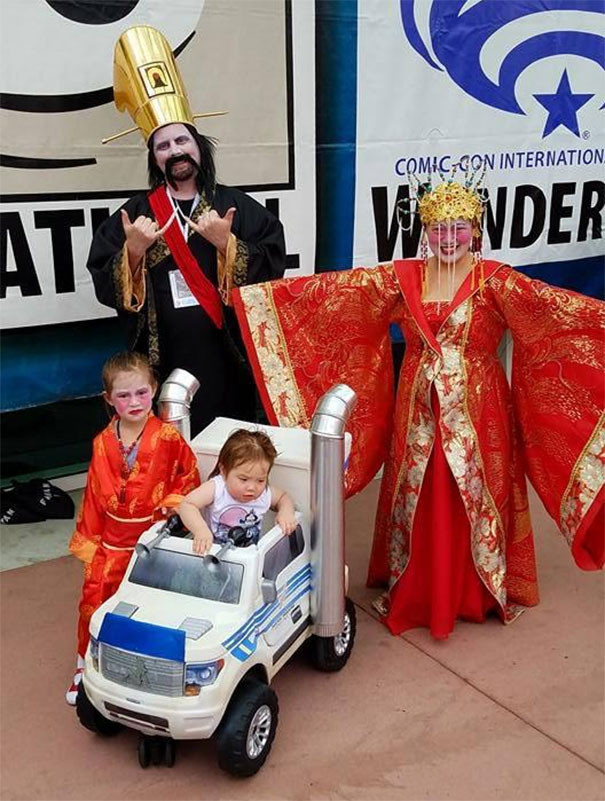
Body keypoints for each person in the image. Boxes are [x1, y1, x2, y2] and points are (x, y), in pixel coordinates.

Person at [231, 168, 604, 640]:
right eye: (438, 228)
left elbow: (558, 314)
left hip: (479, 409)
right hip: (418, 407)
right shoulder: (402, 278)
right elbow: (336, 296)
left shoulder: (498, 282)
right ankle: (417, 589)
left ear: (477, 229)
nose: (449, 237)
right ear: (425, 232)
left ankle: (477, 591)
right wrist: (258, 298)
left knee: (470, 492)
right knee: (420, 490)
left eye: (459, 226)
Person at [87, 26, 286, 436]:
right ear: (154, 158)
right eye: (163, 145)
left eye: (182, 140)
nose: (175, 150)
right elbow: (105, 281)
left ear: (199, 146)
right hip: (164, 354)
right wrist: (134, 253)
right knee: (174, 439)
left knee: (232, 440)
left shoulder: (236, 205)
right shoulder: (135, 215)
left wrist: (227, 244)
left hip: (226, 351)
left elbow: (273, 264)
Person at [66, 351, 200, 705]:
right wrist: (91, 545)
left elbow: (188, 476)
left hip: (151, 539)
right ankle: (86, 665)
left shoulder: (167, 437)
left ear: (154, 389)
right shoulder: (101, 443)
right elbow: (94, 495)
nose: (134, 402)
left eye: (141, 392)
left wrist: (168, 509)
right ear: (108, 399)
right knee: (94, 602)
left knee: (151, 607)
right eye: (123, 396)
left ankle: (148, 671)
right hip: (110, 540)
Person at [179, 429, 297, 555]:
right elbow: (187, 505)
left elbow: (283, 497)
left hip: (249, 558)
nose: (252, 487)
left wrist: (286, 512)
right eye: (244, 479)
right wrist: (200, 530)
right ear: (224, 471)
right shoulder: (217, 488)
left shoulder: (263, 494)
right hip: (213, 554)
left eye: (260, 480)